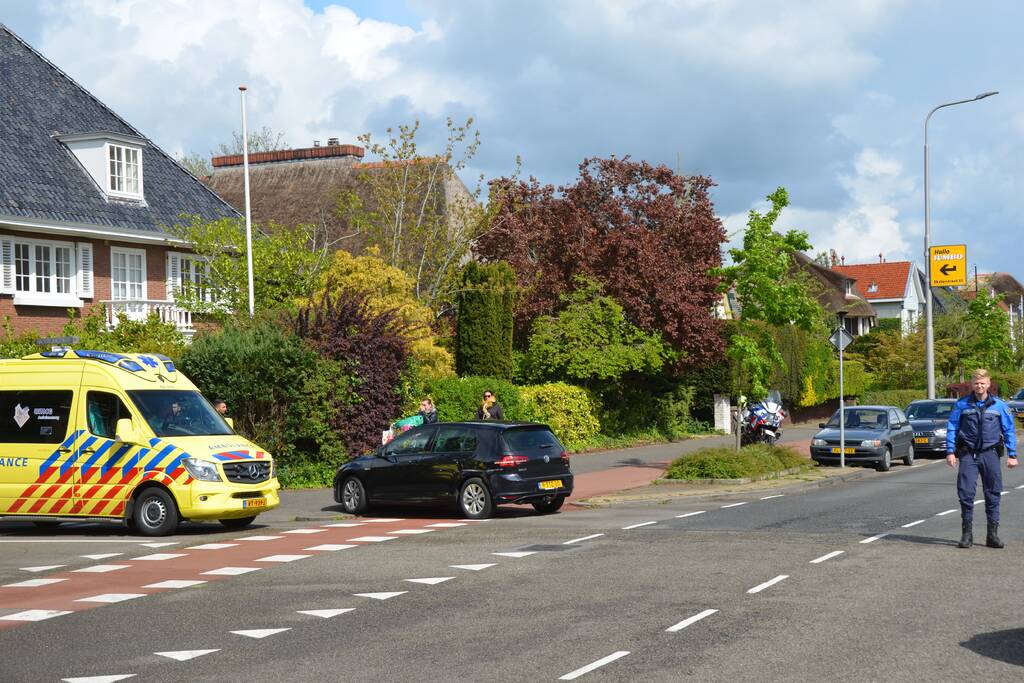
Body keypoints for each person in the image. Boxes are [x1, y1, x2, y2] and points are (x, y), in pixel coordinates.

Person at [946, 368, 1018, 549]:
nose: (979, 386)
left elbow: (1009, 430)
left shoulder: (999, 405)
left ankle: (992, 535)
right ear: (972, 384)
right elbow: (952, 427)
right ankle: (966, 535)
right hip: (968, 454)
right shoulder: (962, 405)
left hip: (990, 454)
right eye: (976, 383)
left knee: (993, 493)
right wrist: (950, 451)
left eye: (982, 383)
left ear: (988, 384)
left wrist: (1012, 454)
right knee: (965, 493)